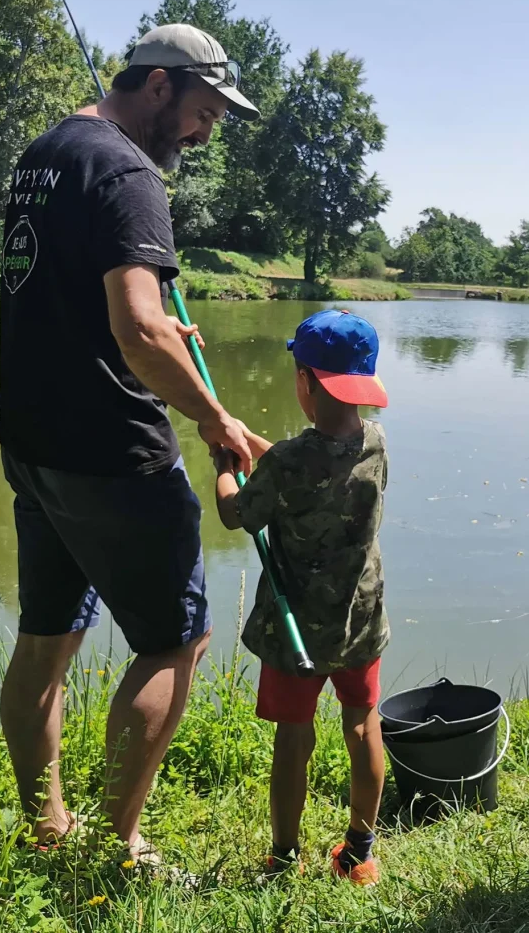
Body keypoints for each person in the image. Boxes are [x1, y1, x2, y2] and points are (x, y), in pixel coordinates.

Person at [0, 23, 259, 862]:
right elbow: (141, 330)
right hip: (111, 451)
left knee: (46, 640)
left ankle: (47, 830)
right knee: (175, 642)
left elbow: (84, 300)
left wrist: (165, 341)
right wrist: (215, 421)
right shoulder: (127, 167)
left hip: (33, 444)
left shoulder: (48, 152)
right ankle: (119, 846)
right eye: (204, 110)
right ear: (158, 87)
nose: (205, 132)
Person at [212, 309, 390, 885]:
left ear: (305, 381)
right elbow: (314, 469)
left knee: (295, 737)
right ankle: (359, 853)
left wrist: (223, 463)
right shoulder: (375, 444)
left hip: (297, 633)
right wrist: (254, 445)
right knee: (363, 726)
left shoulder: (289, 462)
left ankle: (285, 856)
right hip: (359, 621)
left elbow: (237, 514)